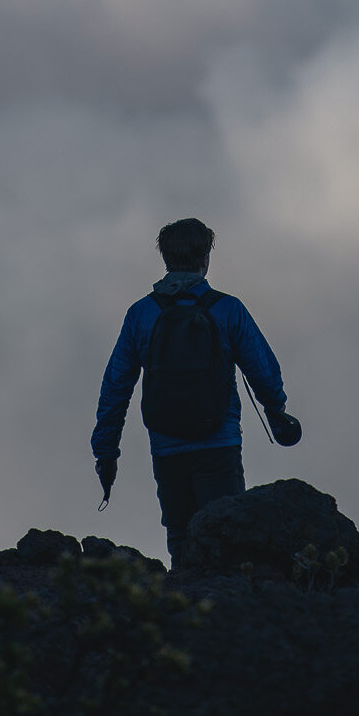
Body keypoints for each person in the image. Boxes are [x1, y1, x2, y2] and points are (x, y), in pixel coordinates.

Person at [91, 217, 300, 569]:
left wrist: (106, 451)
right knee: (228, 538)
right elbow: (264, 371)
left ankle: (184, 608)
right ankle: (223, 611)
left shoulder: (140, 315)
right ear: (205, 257)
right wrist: (276, 412)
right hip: (219, 442)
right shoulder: (227, 309)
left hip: (166, 445)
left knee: (180, 536)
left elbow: (115, 386)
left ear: (166, 258)